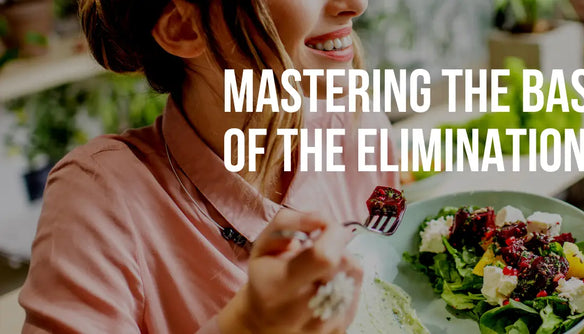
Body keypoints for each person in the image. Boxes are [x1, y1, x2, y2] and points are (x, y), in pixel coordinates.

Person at [18, 0, 395, 332]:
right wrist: (247, 327)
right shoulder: (98, 200)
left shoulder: (357, 125)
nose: (356, 4)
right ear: (182, 27)